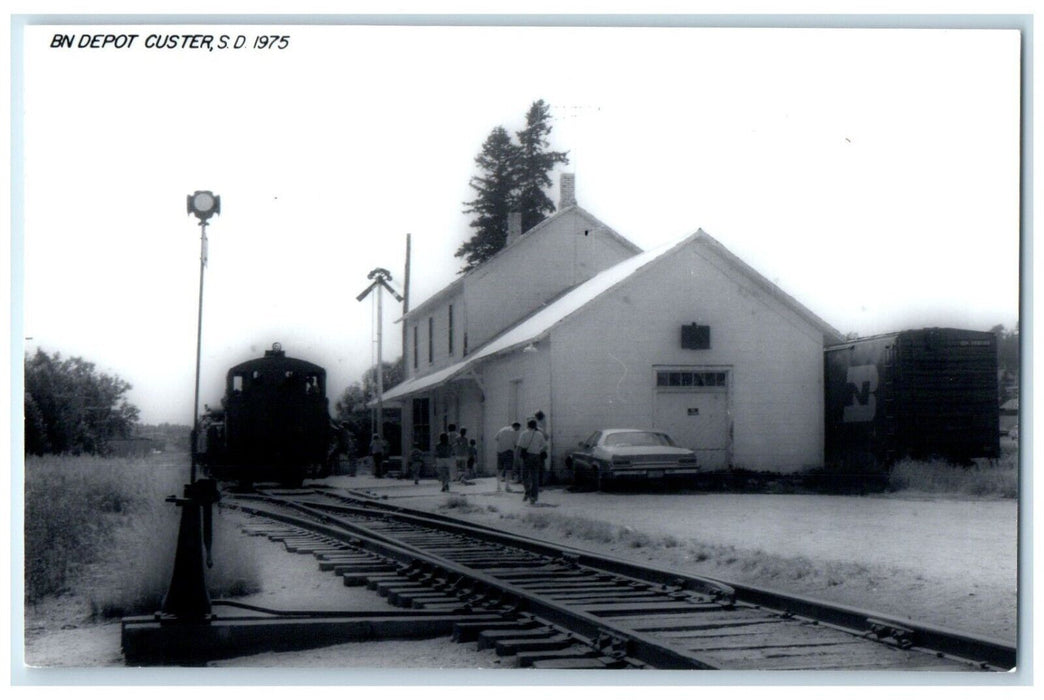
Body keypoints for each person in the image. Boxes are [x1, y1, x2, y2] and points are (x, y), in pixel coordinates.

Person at [515, 418, 548, 504]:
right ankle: (534, 497)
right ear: (535, 426)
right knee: (535, 477)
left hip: (526, 457)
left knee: (524, 475)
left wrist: (517, 458)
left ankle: (527, 491)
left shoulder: (524, 434)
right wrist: (538, 451)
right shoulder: (539, 434)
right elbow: (545, 447)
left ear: (527, 425)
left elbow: (519, 447)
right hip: (536, 456)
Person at [494, 422, 521, 492]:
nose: (518, 430)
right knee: (508, 470)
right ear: (516, 426)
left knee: (499, 469)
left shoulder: (502, 429)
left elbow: (496, 438)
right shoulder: (514, 432)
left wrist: (502, 443)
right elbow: (516, 444)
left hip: (500, 451)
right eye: (518, 428)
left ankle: (498, 486)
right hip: (509, 451)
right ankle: (507, 486)